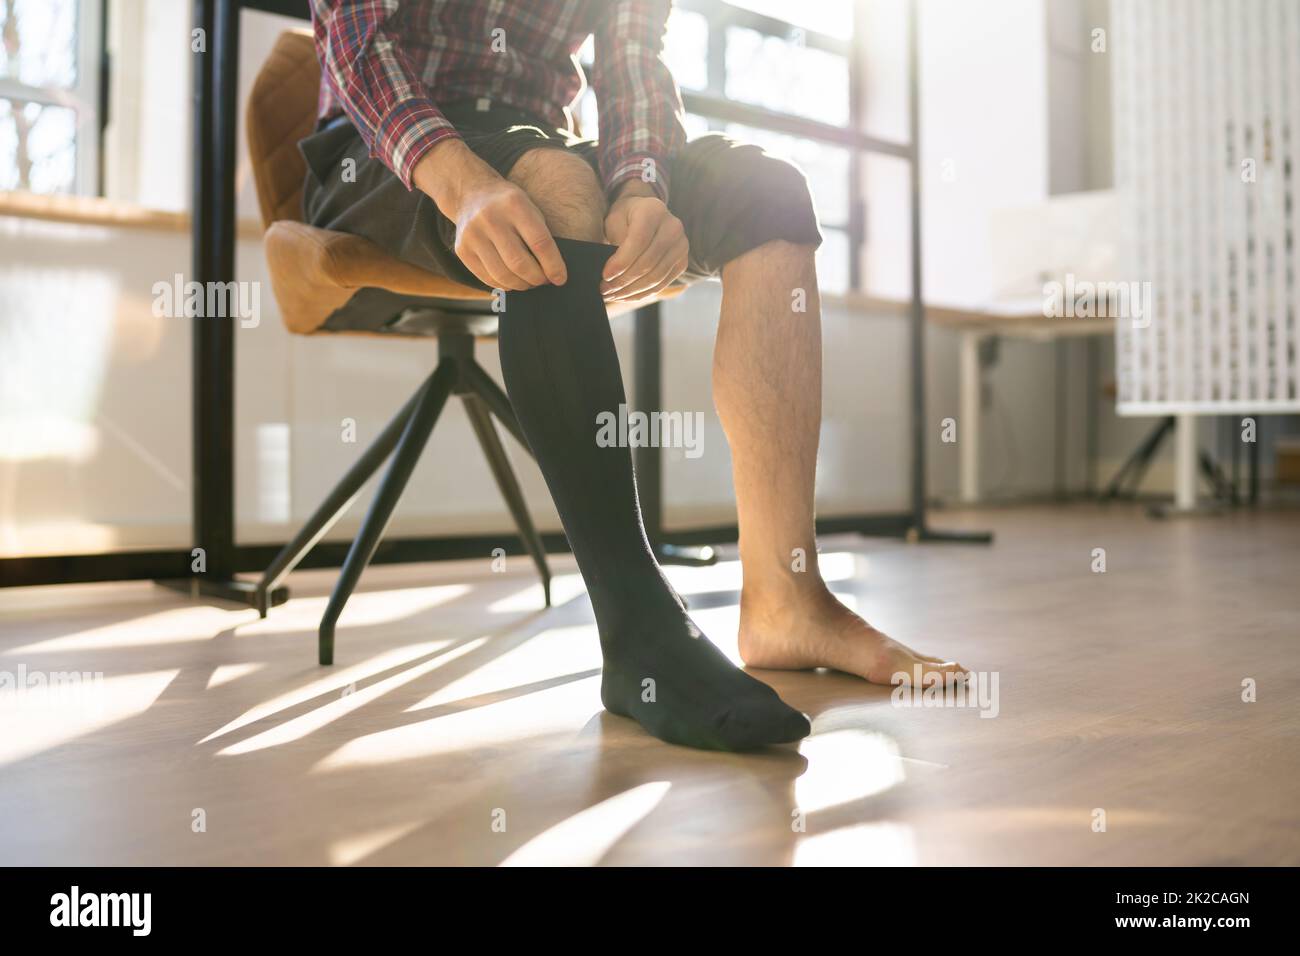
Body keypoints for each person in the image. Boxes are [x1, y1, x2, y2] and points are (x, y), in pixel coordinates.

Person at [303, 0, 967, 751]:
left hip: (539, 141)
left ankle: (788, 601)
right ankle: (638, 636)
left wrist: (642, 188)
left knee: (768, 191)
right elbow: (354, 38)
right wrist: (463, 184)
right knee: (553, 181)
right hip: (379, 153)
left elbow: (632, 58)